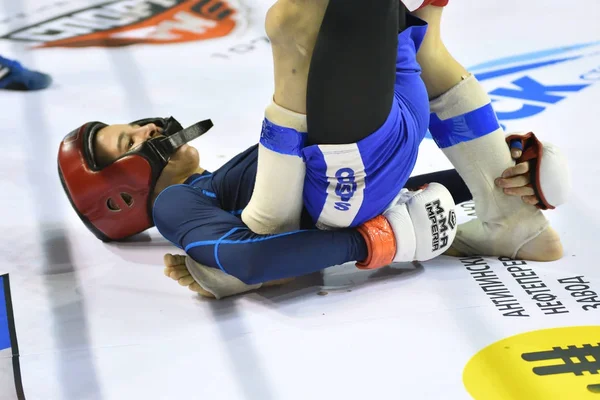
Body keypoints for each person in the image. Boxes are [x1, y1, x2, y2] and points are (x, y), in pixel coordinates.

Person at [57, 0, 569, 299]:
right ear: (121, 195)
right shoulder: (175, 204)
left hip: (381, 149)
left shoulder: (217, 187)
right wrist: (375, 242)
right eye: (131, 140)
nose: (147, 128)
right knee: (292, 26)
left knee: (417, 38)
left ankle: (513, 221)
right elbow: (249, 259)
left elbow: (246, 259)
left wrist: (499, 174)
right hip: (355, 175)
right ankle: (512, 224)